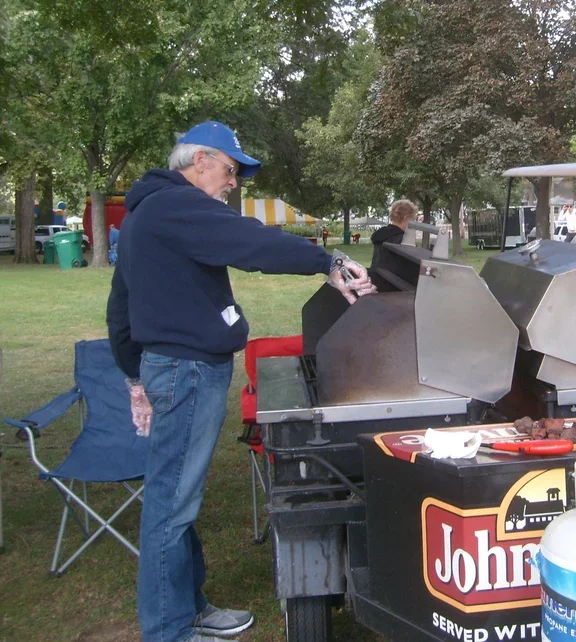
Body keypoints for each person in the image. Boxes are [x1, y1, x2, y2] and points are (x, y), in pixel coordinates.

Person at [105, 121, 375, 642]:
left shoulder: (149, 210)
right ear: (199, 160)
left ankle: (190, 608)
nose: (233, 183)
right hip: (185, 371)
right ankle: (169, 630)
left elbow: (121, 302)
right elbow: (250, 242)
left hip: (172, 368)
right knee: (170, 505)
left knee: (176, 496)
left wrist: (131, 372)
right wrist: (326, 260)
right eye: (231, 171)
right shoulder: (173, 205)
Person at [369, 199, 419, 290]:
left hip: (377, 283)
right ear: (405, 218)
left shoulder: (382, 236)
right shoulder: (403, 240)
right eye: (413, 220)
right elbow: (410, 271)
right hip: (395, 290)